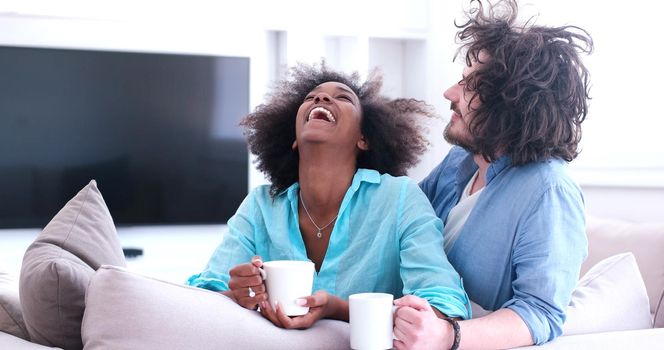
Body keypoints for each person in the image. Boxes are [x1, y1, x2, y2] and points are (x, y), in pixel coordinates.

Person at [187, 62, 470, 330]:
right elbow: (200, 300)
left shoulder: (398, 199)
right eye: (312, 97)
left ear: (364, 138)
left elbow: (444, 307)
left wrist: (340, 310)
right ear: (294, 138)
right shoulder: (261, 207)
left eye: (342, 98)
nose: (321, 100)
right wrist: (237, 295)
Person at [393, 0, 593, 349]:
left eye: (470, 87)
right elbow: (398, 224)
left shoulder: (549, 191)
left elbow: (541, 313)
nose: (449, 94)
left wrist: (445, 335)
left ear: (512, 105)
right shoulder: (459, 162)